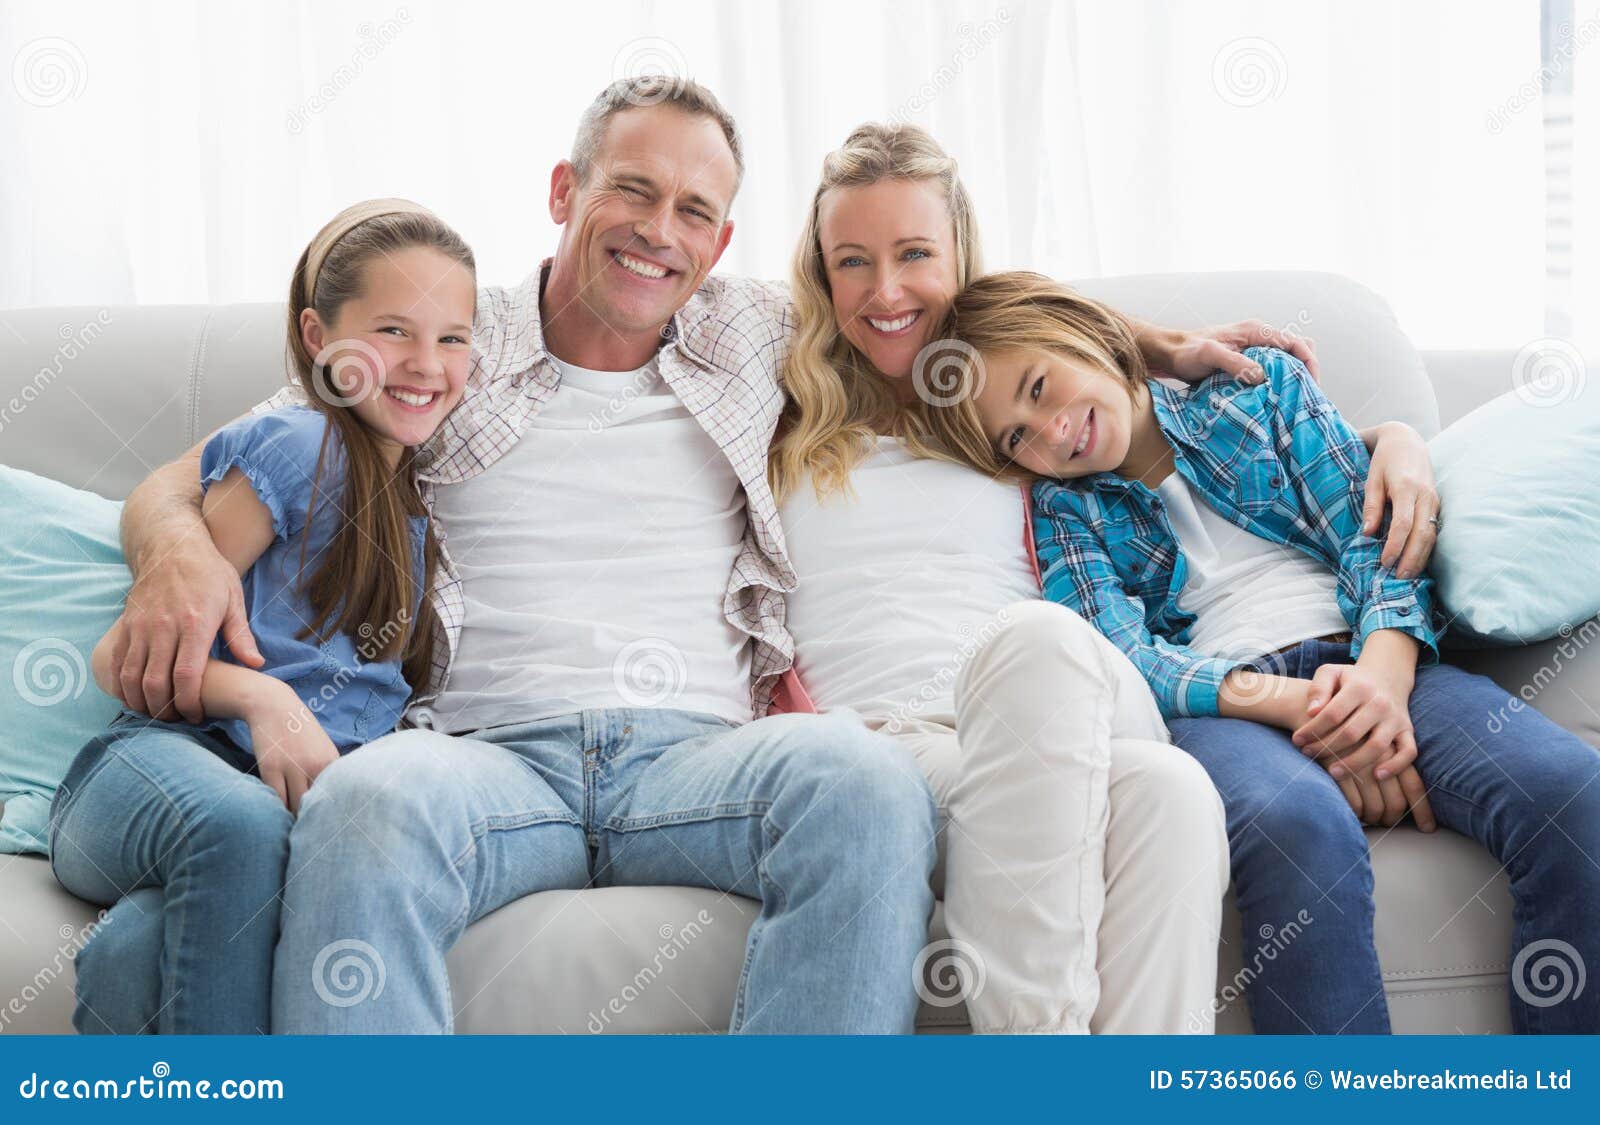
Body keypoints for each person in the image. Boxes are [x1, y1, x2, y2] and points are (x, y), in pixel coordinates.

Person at [99, 80, 941, 1034]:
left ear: (721, 241)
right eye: (633, 189)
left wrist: (1139, 361)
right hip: (482, 755)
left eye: (694, 211)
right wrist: (176, 546)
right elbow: (189, 474)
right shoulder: (446, 336)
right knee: (365, 798)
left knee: (869, 781)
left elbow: (968, 322)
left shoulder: (758, 333)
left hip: (699, 757)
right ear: (562, 192)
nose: (660, 231)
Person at [924, 270, 1600, 1033]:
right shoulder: (1063, 506)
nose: (1049, 430)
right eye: (1017, 436)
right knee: (1296, 825)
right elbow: (1129, 656)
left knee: (1573, 792)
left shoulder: (1260, 392)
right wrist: (1290, 703)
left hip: (1370, 653)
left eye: (1041, 386)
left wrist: (1381, 674)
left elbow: (1368, 534)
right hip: (1226, 711)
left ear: (1090, 334)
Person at [50, 199, 475, 1033]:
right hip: (143, 773)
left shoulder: (412, 513)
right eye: (393, 330)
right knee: (243, 825)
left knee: (134, 953)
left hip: (251, 832)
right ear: (319, 339)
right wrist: (262, 698)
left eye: (452, 337)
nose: (426, 363)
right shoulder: (299, 447)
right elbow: (116, 658)